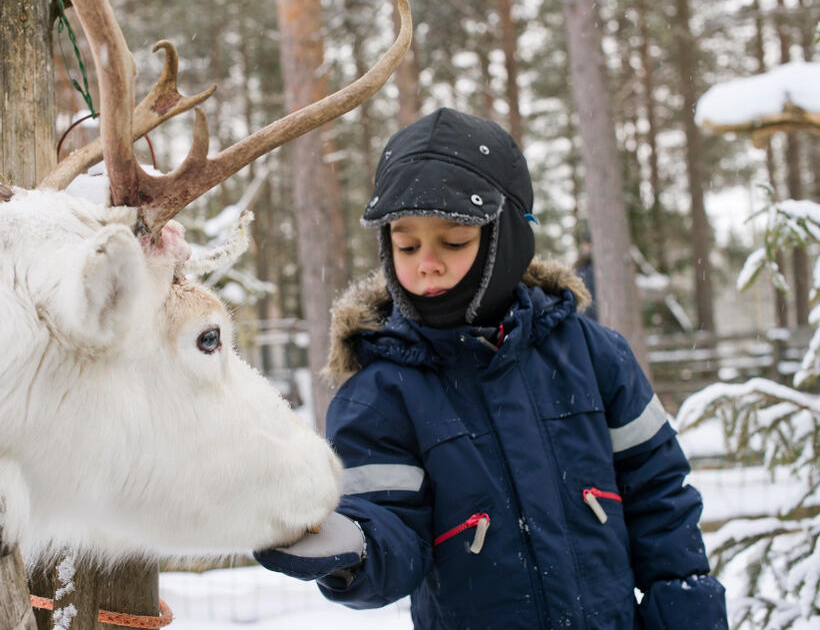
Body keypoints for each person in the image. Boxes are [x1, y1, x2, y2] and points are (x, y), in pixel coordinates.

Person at [256, 108, 727, 629]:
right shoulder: (381, 392)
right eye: (406, 244)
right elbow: (391, 528)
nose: (426, 262)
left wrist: (687, 614)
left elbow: (660, 498)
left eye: (454, 241)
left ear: (508, 238)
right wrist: (352, 546)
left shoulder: (594, 356)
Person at [575, 230, 598, 321]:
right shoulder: (581, 265)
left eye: (589, 244)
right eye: (585, 244)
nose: (586, 247)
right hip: (585, 313)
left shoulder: (597, 267)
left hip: (597, 312)